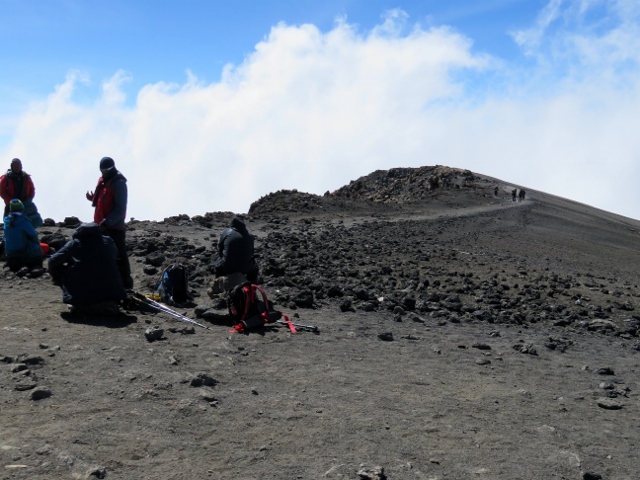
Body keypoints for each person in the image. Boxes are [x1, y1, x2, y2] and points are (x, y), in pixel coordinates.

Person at [48, 222, 127, 314]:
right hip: (112, 294)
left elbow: (52, 261)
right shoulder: (108, 241)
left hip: (82, 291)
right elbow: (115, 255)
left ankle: (75, 298)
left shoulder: (74, 243)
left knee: (58, 268)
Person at [85, 157, 133, 289]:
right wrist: (92, 198)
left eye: (105, 170)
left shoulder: (119, 183)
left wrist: (108, 222)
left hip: (114, 228)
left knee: (119, 258)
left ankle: (126, 286)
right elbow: (101, 199)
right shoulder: (103, 181)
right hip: (101, 226)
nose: (103, 173)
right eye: (102, 170)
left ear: (112, 168)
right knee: (102, 257)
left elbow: (120, 209)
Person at [213, 215, 259, 283]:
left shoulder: (226, 232)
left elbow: (221, 250)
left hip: (227, 267)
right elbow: (251, 252)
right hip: (245, 268)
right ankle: (251, 287)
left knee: (217, 266)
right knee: (255, 268)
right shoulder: (250, 234)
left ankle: (219, 286)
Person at [2, 199, 44, 270]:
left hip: (9, 252)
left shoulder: (6, 221)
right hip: (21, 250)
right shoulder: (24, 221)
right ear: (22, 209)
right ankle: (36, 265)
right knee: (39, 248)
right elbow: (34, 236)